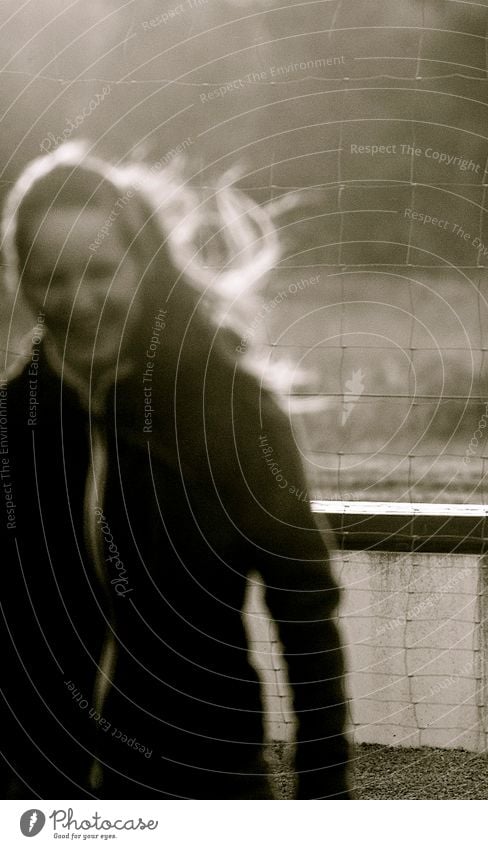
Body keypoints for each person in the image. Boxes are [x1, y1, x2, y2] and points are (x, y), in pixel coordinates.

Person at [0, 142, 351, 800]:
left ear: (144, 266)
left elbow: (305, 609)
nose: (79, 300)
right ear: (23, 281)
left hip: (205, 788)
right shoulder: (9, 424)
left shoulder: (234, 411)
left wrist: (325, 796)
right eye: (52, 277)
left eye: (101, 271)